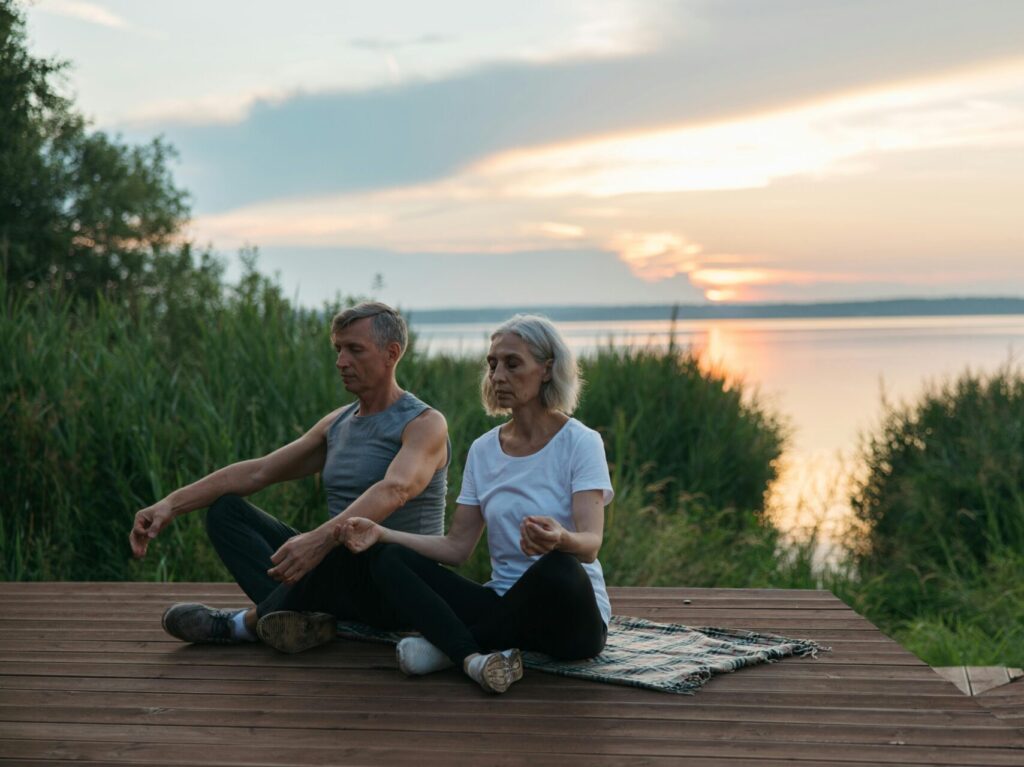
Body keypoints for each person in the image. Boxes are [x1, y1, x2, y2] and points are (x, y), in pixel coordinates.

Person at [129, 302, 452, 655]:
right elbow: (260, 471)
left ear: (392, 353)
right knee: (226, 512)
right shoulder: (337, 424)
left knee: (347, 543)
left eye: (354, 349)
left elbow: (397, 489)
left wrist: (319, 539)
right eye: (338, 349)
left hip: (397, 585)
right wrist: (170, 505)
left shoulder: (424, 424)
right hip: (340, 574)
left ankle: (242, 625)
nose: (341, 361)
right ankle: (301, 620)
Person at [340, 314, 612, 694]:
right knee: (388, 557)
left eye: (512, 364)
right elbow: (456, 548)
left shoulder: (581, 442)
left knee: (560, 569)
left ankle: (452, 648)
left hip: (570, 622)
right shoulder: (484, 450)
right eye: (492, 364)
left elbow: (591, 545)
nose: (498, 376)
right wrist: (382, 532)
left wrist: (560, 539)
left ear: (547, 369)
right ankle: (474, 657)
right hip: (502, 604)